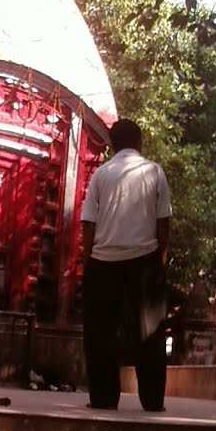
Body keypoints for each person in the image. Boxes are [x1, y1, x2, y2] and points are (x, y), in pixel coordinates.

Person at [80, 119, 171, 412]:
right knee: (152, 332)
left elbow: (88, 223)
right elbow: (163, 221)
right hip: (145, 260)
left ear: (112, 144)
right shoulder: (154, 172)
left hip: (103, 262)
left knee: (100, 333)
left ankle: (103, 399)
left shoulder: (100, 174)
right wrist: (159, 258)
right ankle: (153, 400)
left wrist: (88, 259)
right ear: (140, 142)